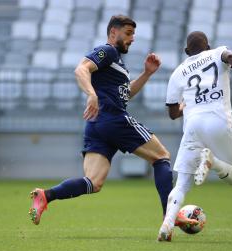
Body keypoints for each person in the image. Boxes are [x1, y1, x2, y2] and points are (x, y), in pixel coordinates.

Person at [28, 15, 173, 225]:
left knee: (93, 183)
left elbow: (125, 94)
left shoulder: (116, 63)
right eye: (128, 33)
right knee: (161, 157)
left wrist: (146, 74)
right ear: (113, 32)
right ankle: (169, 217)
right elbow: (81, 69)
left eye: (133, 34)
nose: (132, 39)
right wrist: (91, 94)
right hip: (114, 119)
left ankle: (46, 196)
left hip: (96, 125)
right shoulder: (109, 51)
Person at [157, 31, 232, 242]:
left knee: (182, 184)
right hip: (218, 120)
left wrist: (184, 106)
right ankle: (213, 163)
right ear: (208, 46)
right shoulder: (217, 53)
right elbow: (231, 57)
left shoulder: (178, 72)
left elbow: (172, 113)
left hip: (193, 125)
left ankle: (167, 225)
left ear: (187, 51)